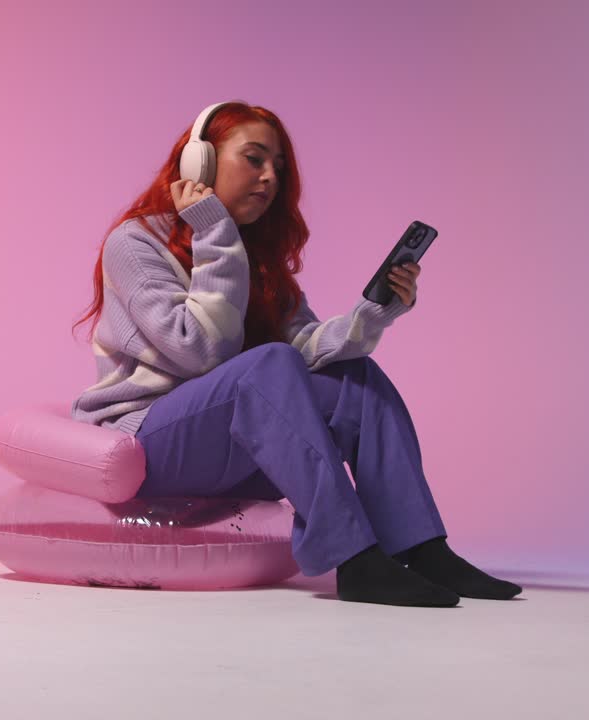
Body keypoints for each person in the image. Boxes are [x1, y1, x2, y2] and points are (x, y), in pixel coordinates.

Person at [70, 100, 522, 607]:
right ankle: (353, 559)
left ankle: (421, 546)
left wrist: (372, 313)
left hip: (232, 441)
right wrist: (214, 233)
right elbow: (196, 350)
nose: (269, 178)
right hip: (150, 444)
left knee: (355, 379)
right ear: (202, 163)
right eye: (254, 158)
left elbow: (302, 346)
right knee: (269, 364)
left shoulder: (252, 257)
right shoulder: (134, 243)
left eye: (277, 168)